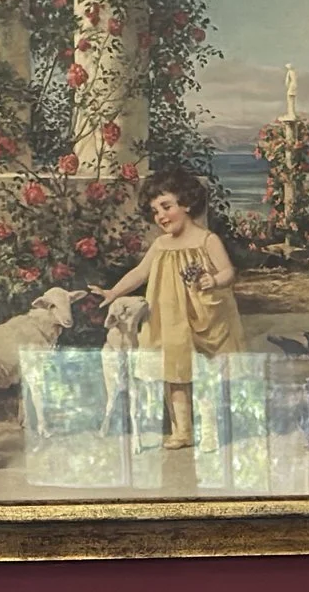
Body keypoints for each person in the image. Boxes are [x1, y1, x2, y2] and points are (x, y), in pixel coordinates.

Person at [89, 167, 243, 450]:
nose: (160, 215)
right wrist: (113, 291)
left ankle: (210, 430)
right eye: (155, 210)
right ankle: (181, 430)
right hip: (169, 318)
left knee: (205, 373)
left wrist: (214, 279)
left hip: (205, 314)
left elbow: (228, 272)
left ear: (186, 203)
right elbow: (140, 273)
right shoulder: (161, 244)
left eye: (166, 206)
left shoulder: (208, 240)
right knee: (173, 375)